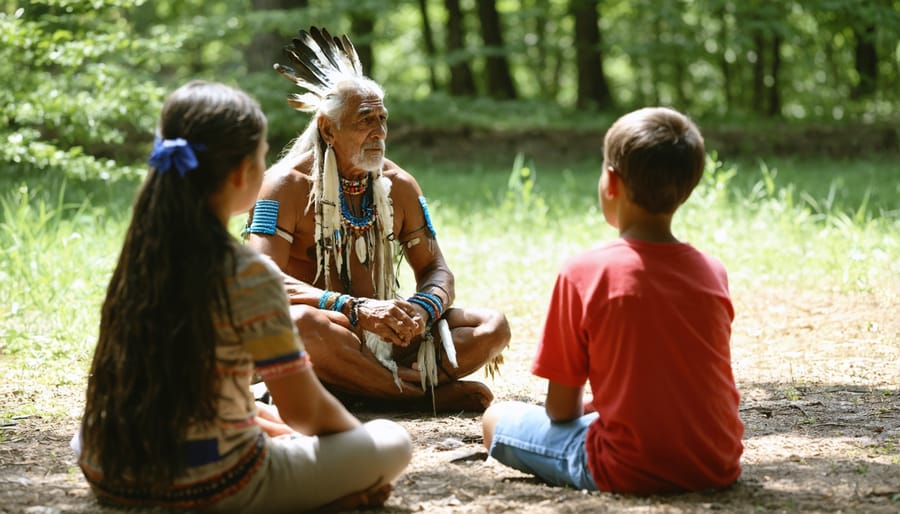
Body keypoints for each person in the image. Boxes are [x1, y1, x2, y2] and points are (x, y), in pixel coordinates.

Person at [74, 80, 412, 512]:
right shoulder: (248, 273)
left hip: (107, 467)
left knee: (250, 401)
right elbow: (305, 410)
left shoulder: (139, 254)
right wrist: (354, 446)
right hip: (213, 482)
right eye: (262, 153)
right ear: (240, 173)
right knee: (391, 442)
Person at [244, 27, 509, 412]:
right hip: (328, 333)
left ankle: (363, 387)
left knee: (492, 326)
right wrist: (356, 309)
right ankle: (415, 396)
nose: (379, 132)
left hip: (386, 333)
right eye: (365, 120)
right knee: (301, 323)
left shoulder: (398, 185)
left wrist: (421, 309)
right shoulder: (284, 185)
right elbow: (259, 282)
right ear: (327, 128)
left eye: (382, 119)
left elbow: (437, 269)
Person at [481, 107, 744, 494]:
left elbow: (561, 411)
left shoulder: (584, 273)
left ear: (612, 181)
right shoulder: (712, 272)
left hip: (625, 469)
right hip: (716, 464)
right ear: (688, 187)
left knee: (497, 417)